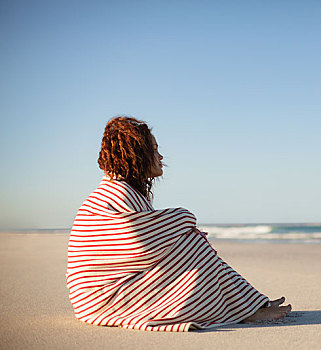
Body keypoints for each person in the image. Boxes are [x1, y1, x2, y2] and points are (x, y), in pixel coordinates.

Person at [66, 116, 291, 332]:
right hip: (101, 299)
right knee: (192, 243)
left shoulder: (120, 189)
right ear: (138, 153)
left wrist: (180, 227)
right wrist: (184, 217)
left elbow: (146, 243)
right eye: (154, 150)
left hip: (99, 296)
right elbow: (138, 245)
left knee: (189, 242)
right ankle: (246, 309)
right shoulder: (118, 192)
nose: (160, 156)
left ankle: (249, 302)